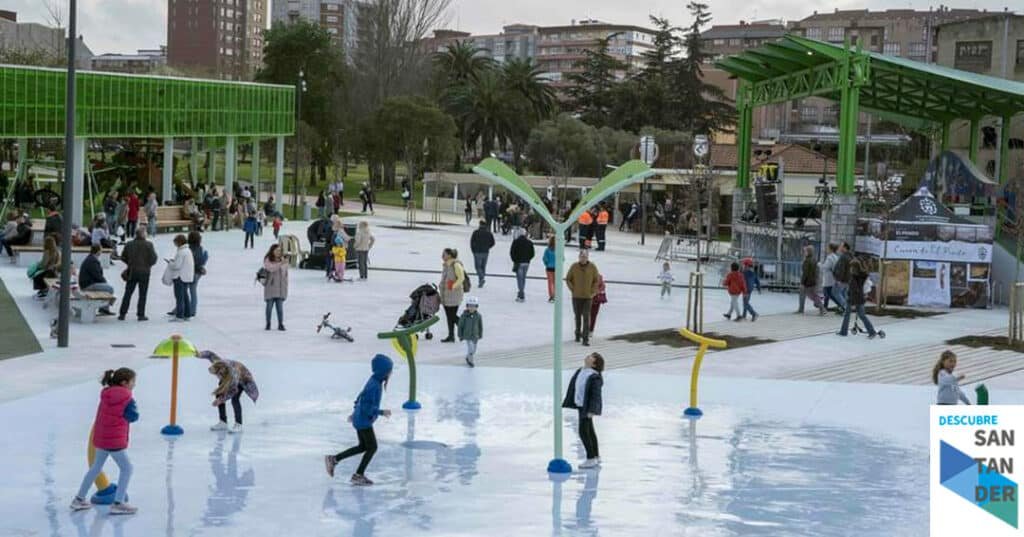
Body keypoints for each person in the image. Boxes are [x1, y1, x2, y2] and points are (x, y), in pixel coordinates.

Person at [69, 367, 139, 515]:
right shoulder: (127, 398)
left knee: (95, 468)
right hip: (114, 440)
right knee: (127, 468)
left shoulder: (106, 394)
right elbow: (133, 417)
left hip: (101, 437)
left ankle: (78, 499)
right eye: (133, 381)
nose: (134, 384)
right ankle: (118, 503)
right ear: (124, 382)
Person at [324, 354, 393, 485]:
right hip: (364, 421)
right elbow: (367, 407)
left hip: (360, 419)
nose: (390, 373)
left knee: (363, 446)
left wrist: (354, 412)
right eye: (389, 370)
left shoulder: (373, 380)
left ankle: (334, 459)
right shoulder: (375, 386)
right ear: (383, 371)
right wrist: (381, 412)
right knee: (372, 447)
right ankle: (358, 474)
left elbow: (360, 397)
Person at [562, 353, 604, 469]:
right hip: (580, 404)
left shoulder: (594, 376)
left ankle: (590, 458)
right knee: (589, 430)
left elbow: (596, 396)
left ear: (594, 364)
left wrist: (592, 410)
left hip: (587, 407)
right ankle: (595, 456)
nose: (588, 356)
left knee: (583, 431)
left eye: (592, 357)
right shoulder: (582, 370)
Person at [201, 350, 259, 433]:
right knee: (219, 394)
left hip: (243, 380)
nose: (216, 376)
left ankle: (239, 424)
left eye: (217, 374)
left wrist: (220, 400)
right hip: (228, 377)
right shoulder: (218, 363)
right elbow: (210, 354)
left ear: (221, 372)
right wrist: (198, 354)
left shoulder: (233, 375)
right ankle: (223, 422)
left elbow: (233, 391)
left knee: (235, 399)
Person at [118, 228, 158, 321]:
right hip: (144, 272)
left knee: (128, 293)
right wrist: (147, 265)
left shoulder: (129, 244)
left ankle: (122, 313)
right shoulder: (149, 245)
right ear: (143, 234)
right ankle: (141, 314)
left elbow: (123, 257)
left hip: (132, 271)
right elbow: (154, 259)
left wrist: (129, 263)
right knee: (142, 294)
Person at [565, 250, 600, 346]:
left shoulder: (592, 267)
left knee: (586, 316)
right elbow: (568, 279)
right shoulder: (574, 266)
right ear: (579, 257)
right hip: (576, 296)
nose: (583, 258)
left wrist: (592, 291)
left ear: (587, 257)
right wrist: (573, 289)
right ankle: (577, 333)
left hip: (588, 297)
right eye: (581, 256)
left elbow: (596, 280)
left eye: (585, 256)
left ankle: (585, 338)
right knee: (577, 316)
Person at [837, 257, 878, 338]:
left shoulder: (854, 278)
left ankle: (844, 331)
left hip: (854, 298)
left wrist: (852, 302)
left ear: (854, 267)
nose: (850, 269)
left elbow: (854, 290)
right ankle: (871, 331)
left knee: (850, 314)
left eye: (851, 267)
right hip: (860, 298)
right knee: (861, 315)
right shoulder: (862, 275)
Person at [163, 234, 194, 322]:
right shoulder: (188, 250)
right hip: (186, 276)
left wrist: (170, 263)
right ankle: (187, 315)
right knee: (185, 297)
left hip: (180, 277)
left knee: (179, 297)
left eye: (175, 242)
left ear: (179, 242)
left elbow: (177, 266)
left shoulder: (181, 252)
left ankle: (179, 316)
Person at [78, 244, 116, 316]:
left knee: (106, 287)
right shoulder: (93, 261)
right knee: (109, 289)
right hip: (88, 285)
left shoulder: (90, 258)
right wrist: (105, 282)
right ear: (98, 251)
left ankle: (105, 307)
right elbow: (97, 276)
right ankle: (104, 308)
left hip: (86, 283)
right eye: (101, 250)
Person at [439, 248, 466, 342]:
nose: (442, 256)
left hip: (454, 294)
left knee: (452, 316)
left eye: (444, 254)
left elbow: (461, 278)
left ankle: (464, 329)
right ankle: (451, 336)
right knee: (449, 316)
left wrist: (453, 286)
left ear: (449, 255)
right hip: (446, 294)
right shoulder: (446, 265)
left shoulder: (456, 264)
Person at [262, 243, 289, 331]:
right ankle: (268, 323)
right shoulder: (268, 260)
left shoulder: (282, 260)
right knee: (269, 308)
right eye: (277, 250)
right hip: (271, 287)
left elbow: (285, 274)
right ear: (272, 251)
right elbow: (271, 268)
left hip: (280, 288)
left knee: (280, 309)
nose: (278, 252)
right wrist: (281, 263)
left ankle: (280, 324)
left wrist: (285, 287)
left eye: (280, 251)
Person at [797, 245, 826, 315]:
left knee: (812, 296)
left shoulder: (807, 261)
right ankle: (821, 309)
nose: (804, 253)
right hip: (812, 281)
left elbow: (805, 273)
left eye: (805, 251)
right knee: (812, 295)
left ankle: (822, 308)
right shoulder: (814, 259)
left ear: (808, 252)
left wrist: (802, 282)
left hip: (808, 282)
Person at [458, 296, 483, 367]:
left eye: (473, 306)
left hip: (475, 336)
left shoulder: (478, 316)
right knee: (471, 349)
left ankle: (467, 356)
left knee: (474, 350)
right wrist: (460, 335)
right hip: (468, 336)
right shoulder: (464, 316)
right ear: (467, 306)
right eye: (470, 306)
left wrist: (480, 334)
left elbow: (480, 326)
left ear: (476, 307)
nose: (472, 308)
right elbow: (460, 326)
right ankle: (470, 361)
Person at [188, 231, 208, 318]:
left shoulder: (189, 249)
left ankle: (188, 309)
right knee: (193, 291)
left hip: (189, 272)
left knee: (184, 291)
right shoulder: (202, 249)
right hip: (198, 272)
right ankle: (192, 310)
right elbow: (205, 257)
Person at [510, 231, 535, 303]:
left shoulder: (516, 242)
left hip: (519, 262)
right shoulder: (529, 242)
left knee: (519, 279)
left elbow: (512, 252)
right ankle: (521, 292)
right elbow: (532, 253)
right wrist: (528, 259)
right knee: (523, 278)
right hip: (526, 263)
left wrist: (514, 260)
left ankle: (521, 293)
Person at [470, 219, 495, 288]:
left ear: (480, 224)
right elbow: (493, 243)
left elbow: (472, 242)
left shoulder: (476, 232)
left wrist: (473, 250)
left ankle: (481, 278)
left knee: (477, 267)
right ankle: (481, 279)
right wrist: (488, 247)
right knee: (483, 266)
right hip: (485, 252)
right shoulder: (489, 233)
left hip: (477, 251)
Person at [821, 243, 845, 313]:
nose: (827, 249)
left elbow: (825, 267)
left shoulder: (830, 257)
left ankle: (841, 306)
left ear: (831, 249)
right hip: (833, 278)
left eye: (828, 248)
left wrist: (820, 265)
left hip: (828, 278)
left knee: (828, 294)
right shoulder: (836, 257)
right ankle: (826, 307)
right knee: (828, 294)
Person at [832, 241, 853, 307]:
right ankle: (846, 309)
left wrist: (838, 280)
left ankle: (846, 308)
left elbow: (841, 269)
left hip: (842, 280)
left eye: (841, 246)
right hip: (847, 279)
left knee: (836, 293)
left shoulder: (843, 257)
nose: (839, 247)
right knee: (844, 294)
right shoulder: (850, 256)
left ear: (845, 248)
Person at [543, 236, 556, 303]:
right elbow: (562, 258)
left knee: (550, 282)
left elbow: (544, 258)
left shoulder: (547, 249)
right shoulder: (559, 249)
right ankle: (556, 295)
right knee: (555, 283)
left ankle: (551, 296)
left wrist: (547, 264)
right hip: (557, 268)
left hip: (549, 268)